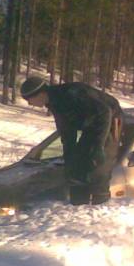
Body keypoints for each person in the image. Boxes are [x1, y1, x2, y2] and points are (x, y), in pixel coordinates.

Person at [20, 76, 122, 205]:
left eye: (29, 99)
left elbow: (104, 112)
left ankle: (99, 203)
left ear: (40, 93)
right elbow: (67, 133)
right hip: (91, 125)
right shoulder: (55, 104)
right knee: (77, 164)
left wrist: (99, 146)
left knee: (98, 164)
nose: (29, 104)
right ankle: (78, 203)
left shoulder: (71, 93)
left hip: (110, 119)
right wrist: (70, 159)